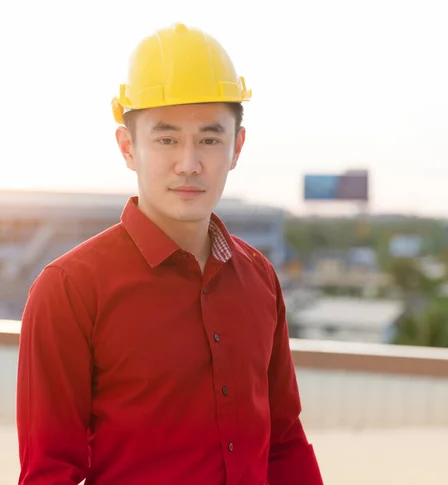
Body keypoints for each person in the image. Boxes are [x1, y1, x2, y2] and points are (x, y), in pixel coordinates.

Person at [16, 22, 324, 485]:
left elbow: (283, 442)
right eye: (166, 139)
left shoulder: (259, 277)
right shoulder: (70, 290)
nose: (189, 163)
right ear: (128, 147)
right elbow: (50, 472)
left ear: (236, 147)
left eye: (209, 138)